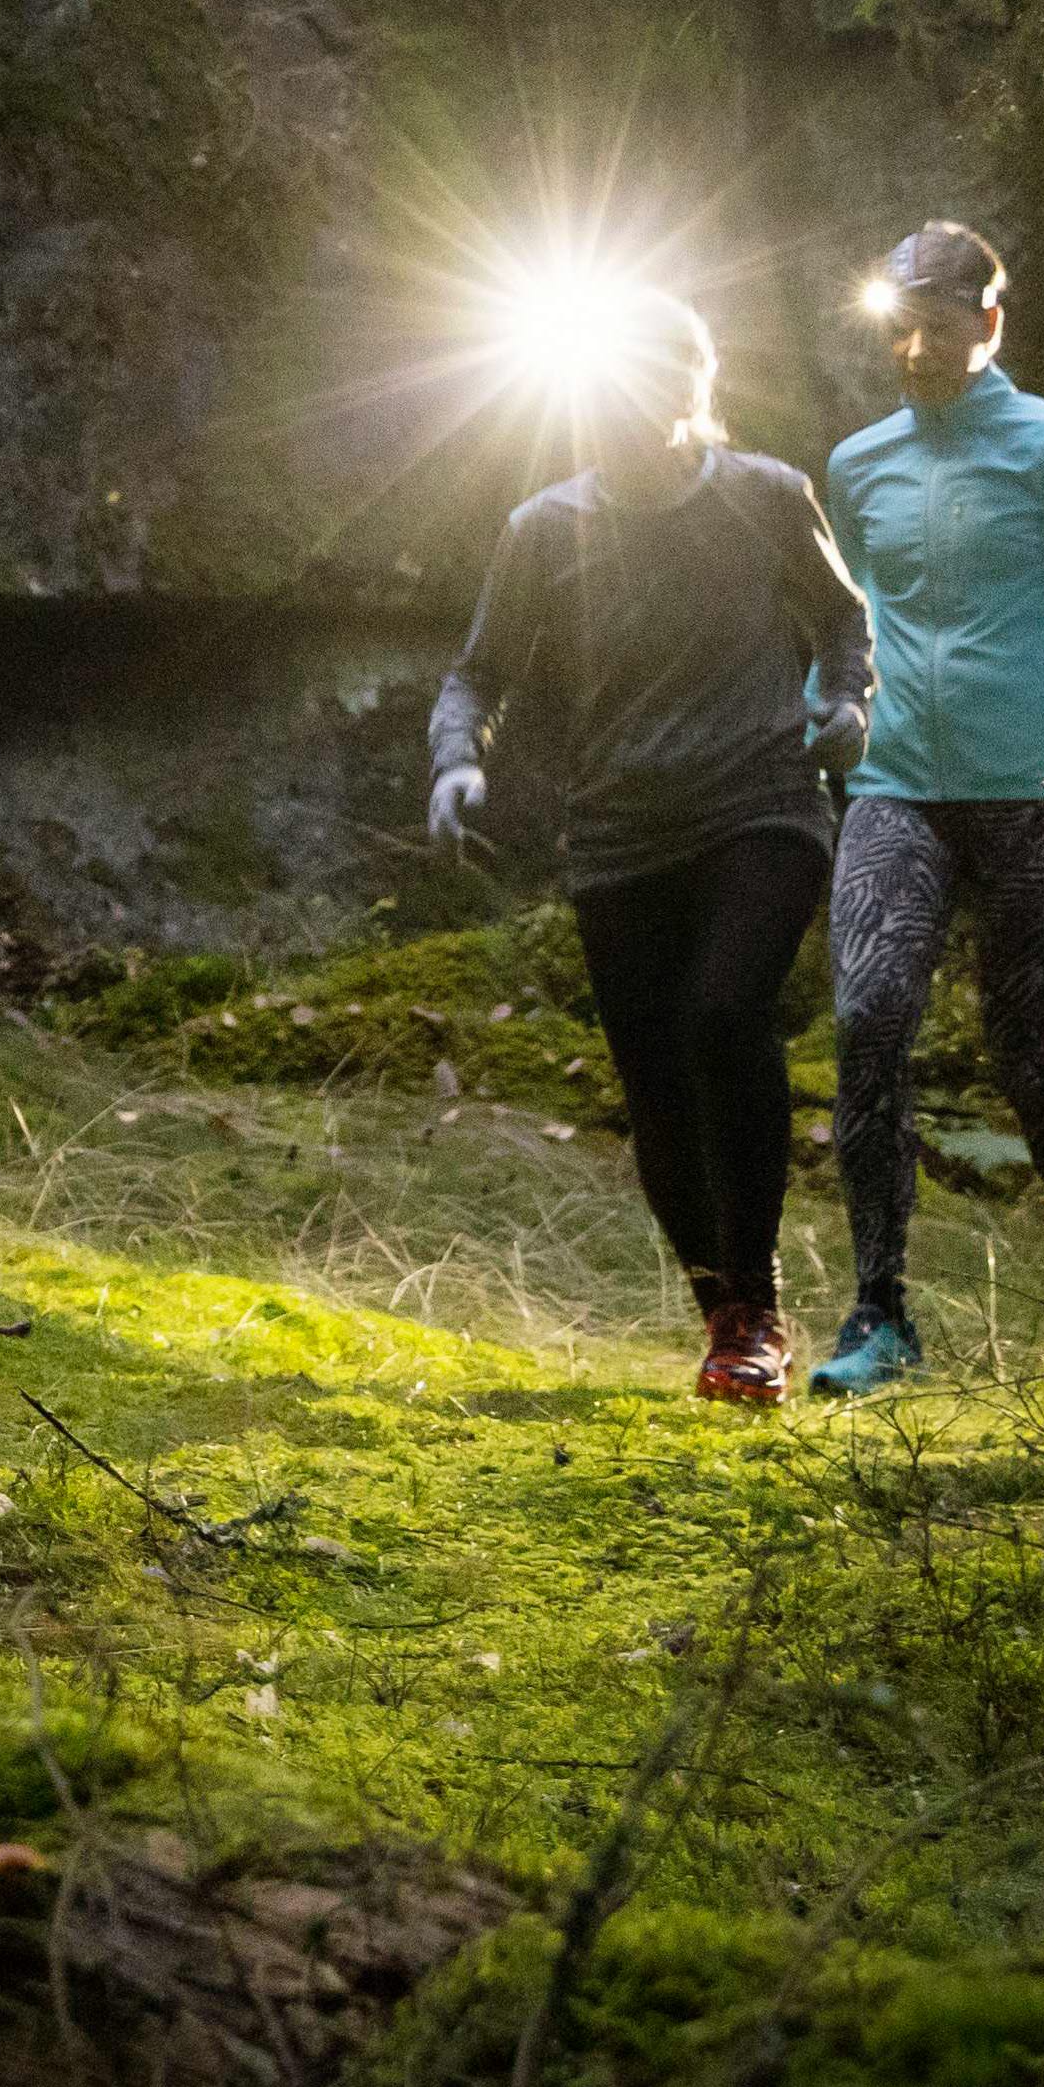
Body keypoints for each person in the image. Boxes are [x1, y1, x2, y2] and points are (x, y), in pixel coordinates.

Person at [427, 298, 873, 1403]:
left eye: (659, 387)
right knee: (657, 1080)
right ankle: (724, 1313)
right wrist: (454, 760)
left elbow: (844, 620)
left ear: (695, 390)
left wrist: (849, 700)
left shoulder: (768, 497)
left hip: (763, 801)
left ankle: (757, 1301)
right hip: (619, 831)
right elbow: (477, 673)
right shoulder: (544, 529)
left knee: (723, 1014)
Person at [808, 221, 1044, 1394]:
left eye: (937, 330)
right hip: (899, 788)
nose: (912, 351)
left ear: (988, 323)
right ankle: (878, 1317)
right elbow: (849, 625)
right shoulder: (856, 465)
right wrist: (833, 703)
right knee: (867, 1021)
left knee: (1025, 1057)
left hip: (1037, 796)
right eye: (895, 330)